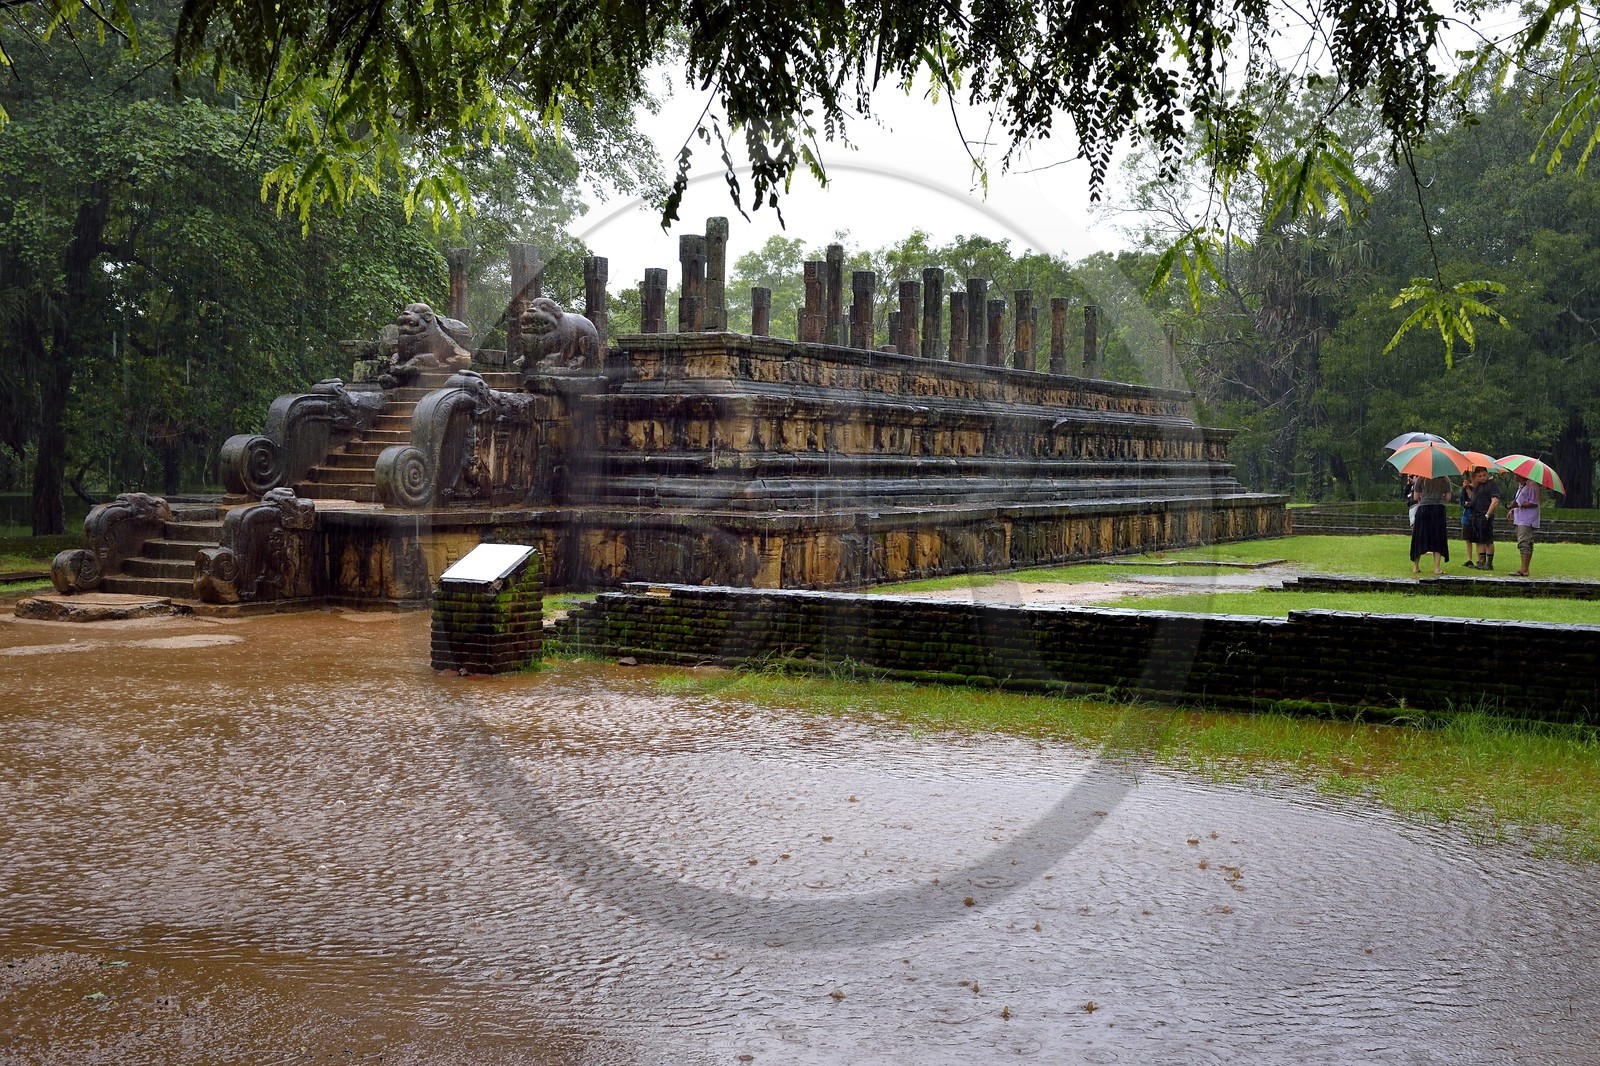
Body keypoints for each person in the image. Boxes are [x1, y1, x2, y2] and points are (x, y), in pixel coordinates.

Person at [1408, 474, 1452, 575]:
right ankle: (1436, 568)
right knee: (1438, 538)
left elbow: (1416, 497)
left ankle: (1416, 566)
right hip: (1439, 509)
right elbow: (1448, 497)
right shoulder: (1445, 479)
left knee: (1419, 537)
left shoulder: (1421, 478)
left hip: (1424, 509)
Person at [1465, 466, 1500, 570]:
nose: (1482, 478)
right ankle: (1481, 561)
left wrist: (1487, 515)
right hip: (1476, 515)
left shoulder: (1491, 485)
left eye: (1484, 475)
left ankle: (1489, 563)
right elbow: (1473, 498)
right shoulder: (1478, 486)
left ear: (1487, 474)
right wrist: (1467, 489)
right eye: (1479, 476)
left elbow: (1495, 502)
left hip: (1485, 515)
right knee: (1479, 539)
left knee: (1488, 540)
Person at [1506, 473, 1541, 577]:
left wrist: (1519, 505)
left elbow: (1534, 502)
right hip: (1521, 518)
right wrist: (1513, 509)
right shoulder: (1521, 486)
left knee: (1524, 542)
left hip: (1527, 519)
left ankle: (1524, 569)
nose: (1514, 476)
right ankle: (1524, 568)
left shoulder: (1532, 485)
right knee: (1526, 542)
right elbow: (1519, 501)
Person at [1458, 471, 1475, 565]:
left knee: (1477, 539)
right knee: (1467, 539)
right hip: (1467, 514)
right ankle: (1469, 559)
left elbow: (1474, 499)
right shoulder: (1464, 489)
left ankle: (1481, 559)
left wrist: (1468, 488)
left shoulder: (1480, 488)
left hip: (1476, 515)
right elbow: (1462, 502)